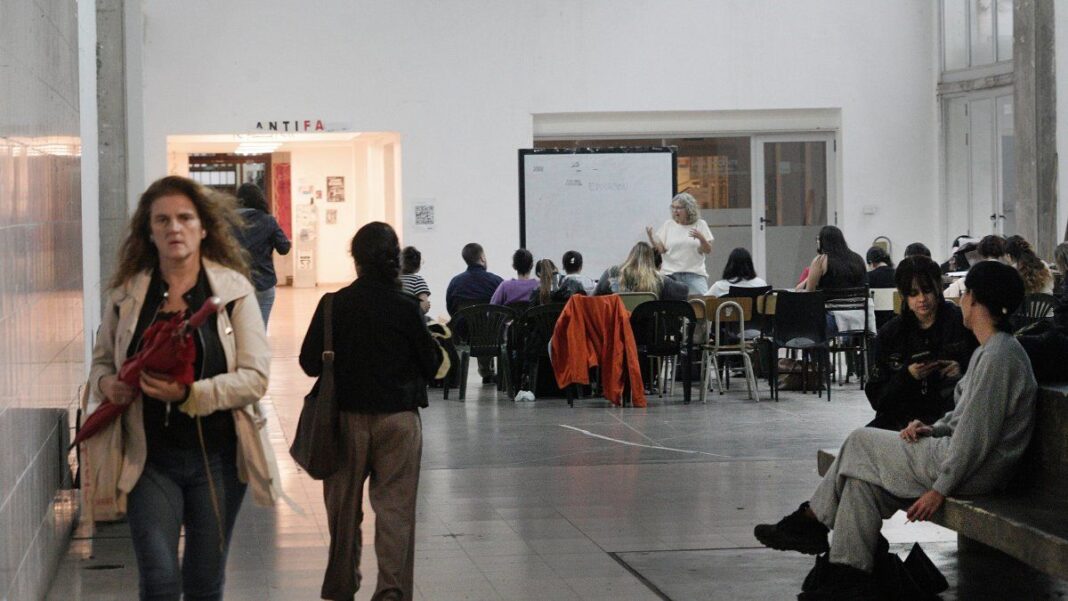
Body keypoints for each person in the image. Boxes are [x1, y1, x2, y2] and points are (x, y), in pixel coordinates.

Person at [754, 261, 1035, 599]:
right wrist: (931, 429)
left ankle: (811, 520)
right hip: (964, 460)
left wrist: (939, 490)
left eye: (963, 294)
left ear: (975, 300)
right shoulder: (991, 352)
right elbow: (964, 419)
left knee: (860, 441)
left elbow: (975, 438)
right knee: (861, 486)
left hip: (975, 471)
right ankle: (846, 580)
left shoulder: (998, 358)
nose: (958, 300)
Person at [88, 175, 274, 600]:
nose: (175, 228)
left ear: (203, 227)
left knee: (203, 583)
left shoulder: (233, 292)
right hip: (149, 459)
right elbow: (101, 361)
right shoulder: (129, 294)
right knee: (159, 580)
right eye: (163, 220)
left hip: (220, 461)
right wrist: (106, 383)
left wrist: (191, 396)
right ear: (149, 230)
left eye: (185, 218)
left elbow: (256, 378)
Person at [300, 222, 443, 601]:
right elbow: (431, 365)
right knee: (395, 511)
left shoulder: (333, 305)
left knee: (343, 512)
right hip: (399, 420)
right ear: (393, 260)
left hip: (344, 419)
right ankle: (392, 591)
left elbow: (309, 363)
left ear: (355, 260)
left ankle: (343, 585)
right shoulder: (407, 308)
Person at [864, 256, 977, 431]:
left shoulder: (961, 324)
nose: (922, 299)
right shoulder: (890, 334)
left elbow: (983, 378)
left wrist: (960, 372)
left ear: (938, 288)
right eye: (913, 293)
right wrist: (907, 376)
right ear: (903, 295)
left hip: (948, 418)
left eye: (927, 290)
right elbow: (878, 399)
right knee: (859, 440)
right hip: (900, 417)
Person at [233, 182, 291, 327]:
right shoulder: (267, 220)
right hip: (263, 283)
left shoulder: (228, 221)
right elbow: (284, 248)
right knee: (259, 330)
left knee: (238, 329)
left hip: (235, 283)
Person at [445, 243, 503, 382]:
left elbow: (451, 309)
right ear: (482, 258)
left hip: (464, 334)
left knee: (464, 325)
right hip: (491, 335)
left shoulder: (455, 282)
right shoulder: (496, 281)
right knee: (488, 326)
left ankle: (455, 377)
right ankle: (487, 372)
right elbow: (503, 308)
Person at [646, 192, 714, 295]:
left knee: (701, 304)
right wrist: (651, 238)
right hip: (670, 275)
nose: (675, 211)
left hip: (694, 275)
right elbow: (661, 250)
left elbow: (708, 250)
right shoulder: (668, 225)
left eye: (678, 208)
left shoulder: (700, 224)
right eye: (673, 208)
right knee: (671, 306)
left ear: (688, 209)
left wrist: (701, 238)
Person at [594, 242, 687, 301]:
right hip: (648, 330)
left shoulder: (611, 273)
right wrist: (672, 278)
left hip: (616, 329)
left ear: (630, 256)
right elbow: (684, 291)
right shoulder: (660, 279)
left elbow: (593, 298)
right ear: (651, 260)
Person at [400, 246, 431, 315]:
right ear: (418, 265)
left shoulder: (393, 280)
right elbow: (424, 307)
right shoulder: (417, 280)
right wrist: (426, 306)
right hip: (409, 321)